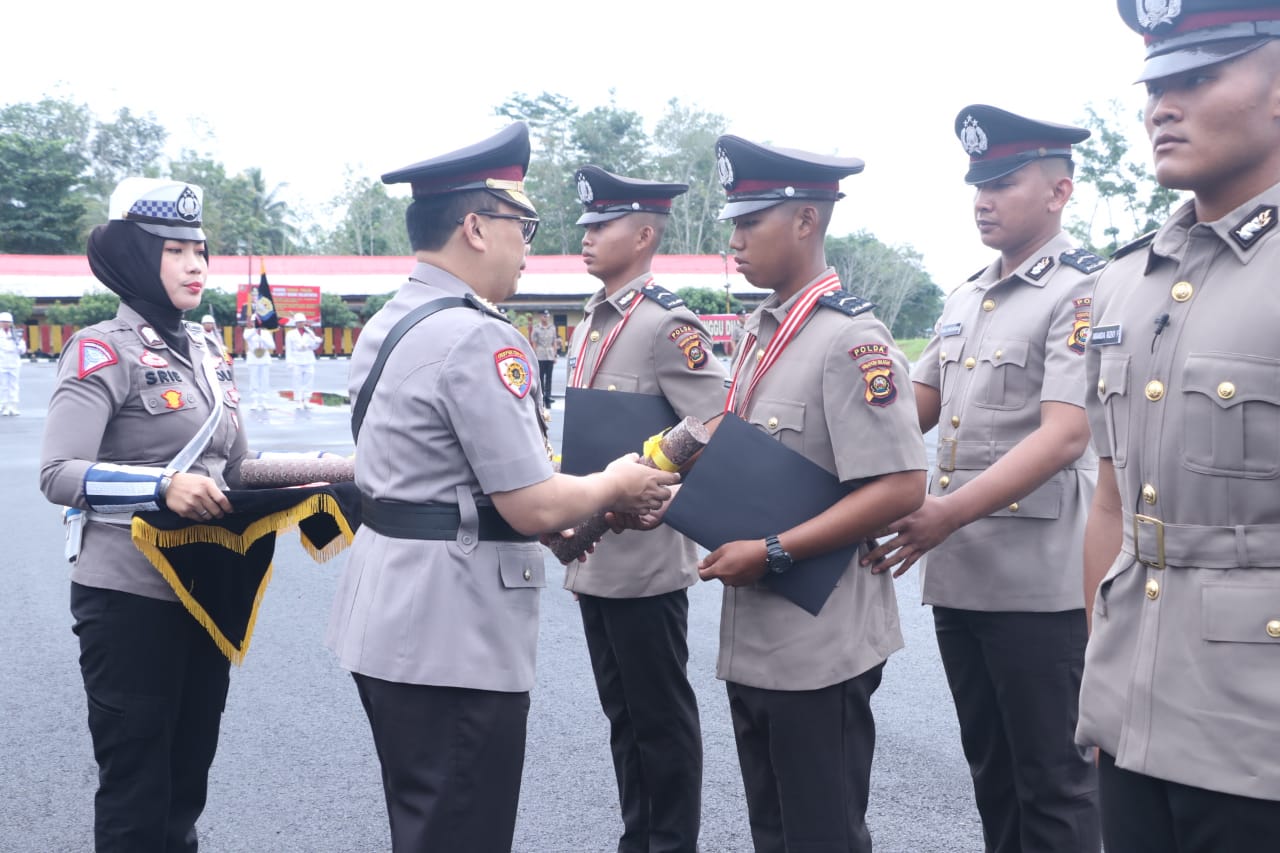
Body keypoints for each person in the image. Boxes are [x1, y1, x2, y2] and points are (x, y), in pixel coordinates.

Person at [325, 123, 679, 853]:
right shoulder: (478, 336)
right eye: (523, 227)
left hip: (390, 614)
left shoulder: (392, 318)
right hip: (451, 632)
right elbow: (531, 501)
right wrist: (615, 482)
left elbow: (441, 470)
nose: (529, 248)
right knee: (463, 829)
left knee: (428, 825)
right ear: (476, 227)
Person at [864, 105, 1103, 853]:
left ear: (1059, 191)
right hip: (963, 573)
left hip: (1039, 583)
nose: (983, 201)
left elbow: (1065, 433)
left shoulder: (1081, 292)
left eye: (1002, 183)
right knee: (992, 773)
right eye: (978, 186)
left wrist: (944, 513)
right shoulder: (966, 297)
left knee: (1055, 782)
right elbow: (913, 408)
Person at [1077, 3, 1280, 850]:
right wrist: (1102, 667)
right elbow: (1112, 502)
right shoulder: (1125, 282)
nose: (1162, 106)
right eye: (1155, 85)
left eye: (1197, 77)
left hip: (1259, 733)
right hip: (1134, 711)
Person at [700, 134, 927, 853]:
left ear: (805, 220)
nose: (734, 241)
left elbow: (901, 484)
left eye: (750, 222)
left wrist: (772, 550)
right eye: (734, 222)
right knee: (773, 830)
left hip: (820, 638)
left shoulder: (850, 340)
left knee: (822, 833)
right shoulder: (761, 330)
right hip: (756, 628)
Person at [39, 177, 249, 851]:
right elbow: (58, 473)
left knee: (187, 780)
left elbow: (237, 466)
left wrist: (334, 471)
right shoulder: (102, 348)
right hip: (128, 596)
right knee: (136, 786)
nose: (195, 265)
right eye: (174, 251)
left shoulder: (209, 352)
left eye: (200, 250)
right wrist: (161, 487)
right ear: (135, 257)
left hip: (205, 593)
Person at [562, 164, 729, 853]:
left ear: (644, 235)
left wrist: (671, 487)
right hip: (594, 551)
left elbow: (718, 420)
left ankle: (670, 843)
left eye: (603, 225)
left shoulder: (666, 323)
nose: (588, 237)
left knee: (658, 718)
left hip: (645, 559)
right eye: (587, 225)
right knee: (624, 716)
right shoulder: (593, 321)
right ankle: (641, 837)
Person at [285, 311, 321, 413]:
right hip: (296, 360)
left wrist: (316, 341)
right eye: (299, 322)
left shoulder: (309, 332)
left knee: (309, 381)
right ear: (295, 323)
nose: (301, 324)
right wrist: (289, 362)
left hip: (308, 358)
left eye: (302, 322)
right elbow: (288, 349)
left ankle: (306, 400)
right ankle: (298, 401)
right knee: (297, 381)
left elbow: (314, 346)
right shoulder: (290, 334)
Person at [242, 315, 275, 412]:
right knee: (254, 380)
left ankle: (264, 401)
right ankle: (255, 401)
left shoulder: (266, 333)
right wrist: (256, 330)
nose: (256, 323)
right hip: (253, 358)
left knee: (265, 380)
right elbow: (246, 337)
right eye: (254, 322)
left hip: (264, 358)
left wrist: (263, 339)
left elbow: (272, 346)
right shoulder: (248, 331)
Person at [530, 308, 559, 409]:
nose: (545, 317)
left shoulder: (552, 328)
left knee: (549, 377)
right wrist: (534, 356)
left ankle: (548, 396)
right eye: (544, 316)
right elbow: (534, 343)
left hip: (550, 355)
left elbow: (554, 342)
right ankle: (541, 396)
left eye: (547, 316)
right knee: (540, 377)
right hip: (540, 355)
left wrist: (555, 355)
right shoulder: (536, 328)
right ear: (540, 317)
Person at [0, 310, 25, 415]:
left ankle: (13, 406)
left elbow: (22, 350)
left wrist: (18, 344)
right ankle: (4, 406)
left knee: (14, 385)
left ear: (11, 323)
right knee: (3, 386)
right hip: (1, 363)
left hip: (14, 363)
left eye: (7, 322)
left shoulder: (16, 334)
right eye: (3, 322)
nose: (5, 324)